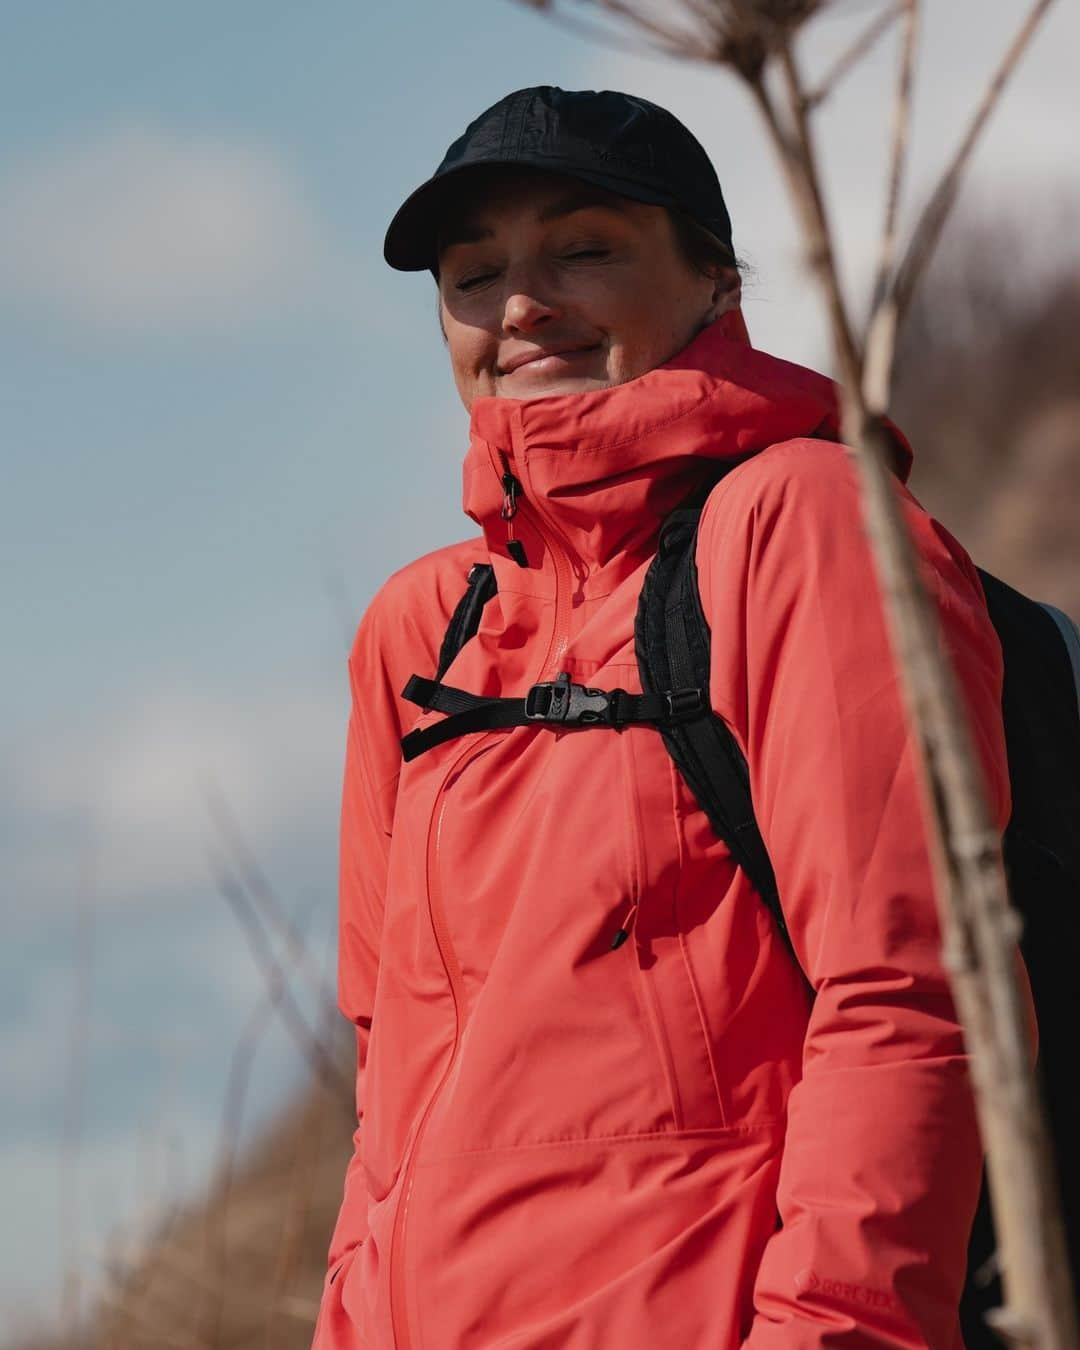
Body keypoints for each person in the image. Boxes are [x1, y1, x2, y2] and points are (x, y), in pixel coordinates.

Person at [312, 86, 1029, 1349]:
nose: (520, 304)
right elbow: (389, 1102)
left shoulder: (801, 525)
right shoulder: (422, 633)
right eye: (473, 275)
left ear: (714, 280)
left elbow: (916, 992)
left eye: (583, 250)